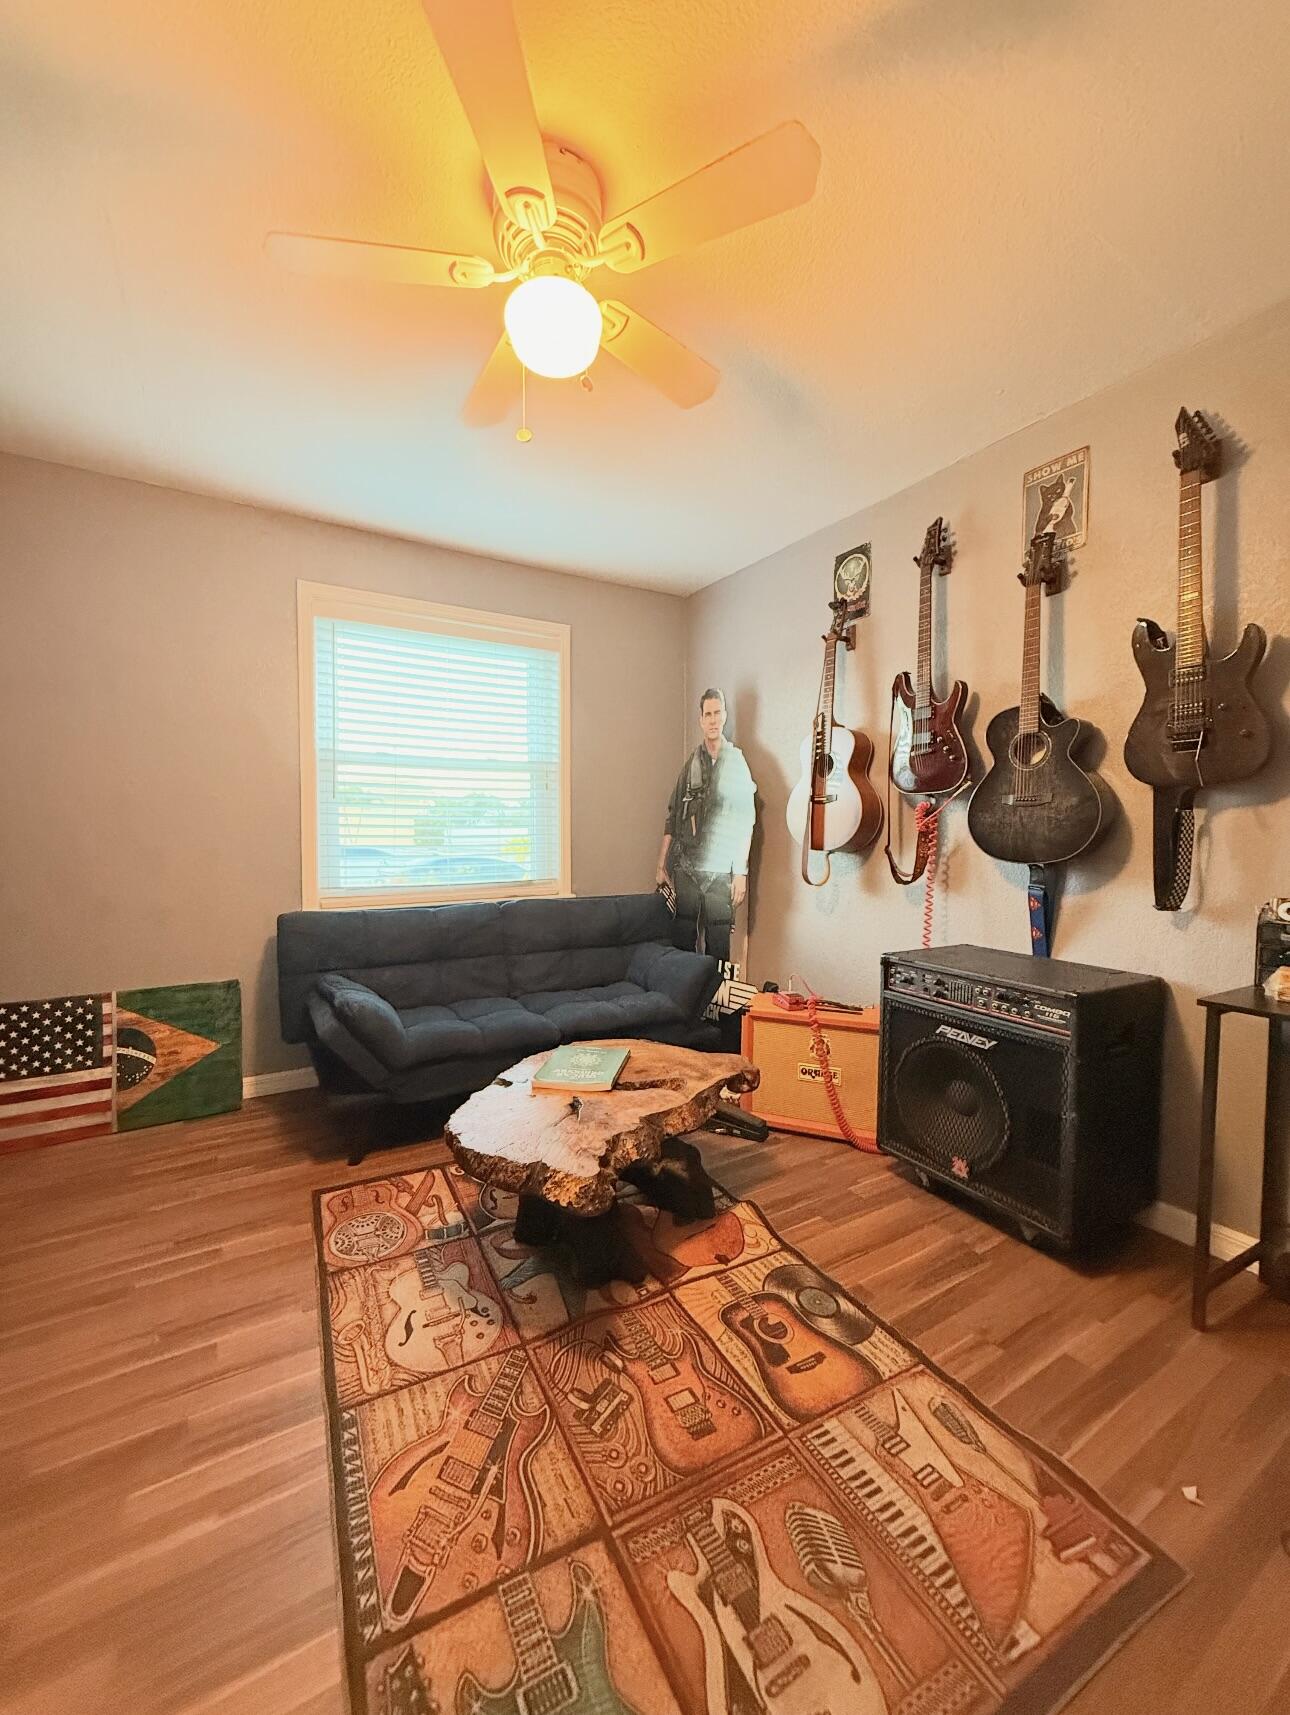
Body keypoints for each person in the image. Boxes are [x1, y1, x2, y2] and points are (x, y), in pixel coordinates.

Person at [656, 687, 756, 963]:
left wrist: (741, 872)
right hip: (687, 868)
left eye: (717, 713)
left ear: (724, 717)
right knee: (682, 943)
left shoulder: (736, 763)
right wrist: (661, 865)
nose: (713, 720)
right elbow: (673, 815)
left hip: (721, 872)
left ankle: (716, 993)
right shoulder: (691, 765)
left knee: (719, 947)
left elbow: (746, 819)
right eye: (708, 714)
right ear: (701, 720)